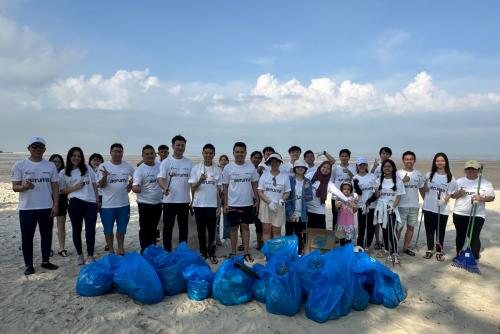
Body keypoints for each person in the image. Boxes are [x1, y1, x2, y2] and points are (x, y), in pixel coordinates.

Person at [11, 136, 59, 275]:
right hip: (27, 208)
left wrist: (55, 204)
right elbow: (15, 187)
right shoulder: (20, 165)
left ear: (44, 149)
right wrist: (24, 186)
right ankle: (29, 265)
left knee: (46, 236)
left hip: (46, 207)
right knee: (27, 237)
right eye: (34, 146)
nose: (37, 149)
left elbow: (55, 186)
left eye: (40, 147)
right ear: (29, 148)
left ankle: (45, 261)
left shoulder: (50, 166)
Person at [60, 147, 99, 264]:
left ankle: (90, 255)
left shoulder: (87, 168)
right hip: (74, 203)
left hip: (90, 203)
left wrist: (97, 200)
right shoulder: (63, 172)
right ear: (69, 157)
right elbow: (62, 191)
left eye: (79, 156)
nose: (76, 158)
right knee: (77, 230)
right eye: (74, 155)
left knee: (90, 230)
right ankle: (80, 254)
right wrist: (75, 187)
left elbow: (94, 184)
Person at [222, 142, 260, 263]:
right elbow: (225, 187)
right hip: (233, 204)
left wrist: (257, 199)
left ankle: (246, 253)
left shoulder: (250, 167)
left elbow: (254, 184)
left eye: (242, 152)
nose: (239, 154)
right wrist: (225, 204)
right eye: (237, 152)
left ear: (245, 153)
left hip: (247, 203)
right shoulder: (228, 168)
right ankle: (233, 252)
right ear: (233, 153)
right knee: (234, 228)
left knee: (245, 227)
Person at [451, 160, 495, 260]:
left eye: (473, 169)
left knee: (474, 235)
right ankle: (459, 254)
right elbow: (452, 195)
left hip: (477, 214)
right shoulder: (459, 181)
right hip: (460, 213)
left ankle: (474, 257)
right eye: (468, 169)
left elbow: (492, 197)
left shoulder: (485, 182)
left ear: (478, 170)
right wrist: (459, 193)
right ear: (465, 170)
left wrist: (481, 198)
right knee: (460, 235)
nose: (471, 171)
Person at [157, 135, 193, 251]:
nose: (180, 147)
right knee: (168, 228)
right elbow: (160, 178)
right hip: (169, 201)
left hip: (184, 201)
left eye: (183, 145)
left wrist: (194, 199)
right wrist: (165, 188)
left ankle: (183, 250)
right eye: (178, 145)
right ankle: (167, 251)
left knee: (184, 228)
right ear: (173, 146)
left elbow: (192, 182)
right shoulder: (166, 162)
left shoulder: (189, 163)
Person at [98, 143, 134, 255]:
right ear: (110, 152)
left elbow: (134, 180)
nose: (117, 153)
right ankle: (111, 250)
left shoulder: (128, 166)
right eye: (115, 151)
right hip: (108, 205)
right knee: (108, 230)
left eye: (120, 151)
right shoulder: (103, 166)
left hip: (123, 204)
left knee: (122, 228)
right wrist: (105, 176)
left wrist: (130, 185)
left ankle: (121, 248)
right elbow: (101, 185)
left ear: (122, 153)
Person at [189, 144, 221, 264]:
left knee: (212, 230)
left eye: (211, 153)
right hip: (199, 205)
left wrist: (219, 206)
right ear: (203, 153)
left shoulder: (217, 169)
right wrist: (200, 181)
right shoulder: (196, 168)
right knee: (201, 230)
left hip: (212, 205)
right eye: (206, 153)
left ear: (213, 154)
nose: (208, 155)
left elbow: (219, 190)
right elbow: (192, 187)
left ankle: (211, 252)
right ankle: (203, 251)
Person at [421, 152, 456, 262]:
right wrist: (425, 198)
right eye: (437, 161)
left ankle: (439, 251)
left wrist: (443, 201)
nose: (440, 162)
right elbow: (425, 190)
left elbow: (450, 193)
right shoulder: (429, 174)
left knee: (440, 231)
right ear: (434, 162)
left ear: (445, 162)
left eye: (442, 160)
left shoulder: (450, 177)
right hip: (429, 207)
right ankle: (430, 249)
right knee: (429, 230)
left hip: (442, 208)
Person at [132, 145, 163, 253]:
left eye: (151, 153)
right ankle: (144, 250)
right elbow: (135, 185)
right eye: (147, 154)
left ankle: (152, 247)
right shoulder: (139, 170)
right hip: (145, 204)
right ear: (143, 156)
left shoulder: (160, 165)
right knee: (145, 228)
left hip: (158, 203)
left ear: (155, 154)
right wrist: (135, 188)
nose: (150, 156)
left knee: (154, 227)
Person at [374, 159, 405, 264]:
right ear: (382, 168)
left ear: (393, 168)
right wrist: (376, 190)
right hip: (381, 207)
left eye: (389, 166)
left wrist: (393, 207)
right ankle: (386, 250)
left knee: (392, 231)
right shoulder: (379, 180)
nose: (387, 168)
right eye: (385, 167)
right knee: (385, 230)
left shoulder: (398, 181)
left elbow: (399, 196)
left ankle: (395, 252)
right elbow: (378, 196)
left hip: (391, 207)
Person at [396, 151, 425, 256]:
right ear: (403, 160)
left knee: (411, 227)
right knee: (398, 228)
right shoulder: (398, 173)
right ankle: (395, 248)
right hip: (400, 205)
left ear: (414, 160)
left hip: (414, 205)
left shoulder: (418, 174)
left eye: (411, 159)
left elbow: (421, 189)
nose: (409, 161)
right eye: (407, 159)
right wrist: (402, 182)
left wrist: (425, 201)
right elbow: (393, 189)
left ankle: (405, 248)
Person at [257, 153, 291, 242]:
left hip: (279, 206)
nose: (274, 163)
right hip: (265, 205)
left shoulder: (285, 176)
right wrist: (269, 202)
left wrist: (282, 199)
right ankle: (267, 253)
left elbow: (287, 192)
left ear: (280, 163)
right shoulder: (264, 175)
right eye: (272, 161)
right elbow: (260, 191)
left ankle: (275, 253)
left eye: (277, 161)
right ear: (269, 163)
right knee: (266, 230)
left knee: (277, 231)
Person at [305, 161, 348, 229]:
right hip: (307, 209)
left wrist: (347, 200)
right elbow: (301, 182)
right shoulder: (311, 175)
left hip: (319, 211)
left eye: (328, 168)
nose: (325, 169)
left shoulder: (328, 183)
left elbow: (337, 191)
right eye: (324, 167)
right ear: (320, 167)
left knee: (320, 235)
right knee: (307, 234)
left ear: (330, 171)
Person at [285, 160, 313, 254]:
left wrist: (304, 191)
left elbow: (310, 197)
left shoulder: (307, 181)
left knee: (299, 235)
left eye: (302, 167)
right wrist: (290, 213)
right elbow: (286, 197)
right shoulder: (289, 180)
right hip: (290, 213)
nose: (300, 169)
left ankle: (299, 254)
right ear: (294, 169)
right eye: (298, 167)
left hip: (302, 214)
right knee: (288, 234)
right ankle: (288, 253)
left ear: (305, 169)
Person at [353, 157, 377, 250]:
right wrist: (356, 185)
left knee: (371, 227)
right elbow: (359, 193)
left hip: (371, 205)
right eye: (360, 165)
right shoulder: (355, 178)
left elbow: (376, 192)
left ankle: (367, 245)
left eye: (364, 164)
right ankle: (360, 245)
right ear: (357, 166)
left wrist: (370, 200)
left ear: (366, 165)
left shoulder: (372, 176)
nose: (362, 166)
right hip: (361, 206)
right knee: (361, 227)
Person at [371, 146, 392, 249]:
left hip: (386, 197)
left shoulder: (391, 165)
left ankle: (384, 240)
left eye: (387, 153)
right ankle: (377, 241)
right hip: (376, 196)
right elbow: (370, 176)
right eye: (383, 153)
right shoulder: (377, 165)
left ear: (390, 155)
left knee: (385, 220)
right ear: (380, 154)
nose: (385, 155)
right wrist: (374, 167)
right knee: (377, 220)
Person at [331, 149, 356, 230]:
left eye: (346, 156)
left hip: (348, 197)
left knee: (347, 215)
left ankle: (347, 233)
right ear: (339, 157)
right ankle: (336, 235)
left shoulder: (352, 168)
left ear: (349, 157)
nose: (344, 157)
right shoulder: (336, 168)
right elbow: (332, 181)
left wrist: (348, 172)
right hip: (336, 197)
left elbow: (355, 179)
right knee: (336, 216)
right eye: (342, 156)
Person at [49, 154, 68, 258]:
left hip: (62, 199)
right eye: (54, 161)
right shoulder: (47, 172)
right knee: (48, 226)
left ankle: (62, 248)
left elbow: (66, 186)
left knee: (61, 226)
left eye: (59, 162)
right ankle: (48, 248)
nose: (56, 163)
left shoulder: (64, 173)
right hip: (48, 199)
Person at [250, 150, 264, 250]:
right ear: (251, 158)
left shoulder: (263, 171)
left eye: (259, 158)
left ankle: (260, 243)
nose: (257, 159)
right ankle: (243, 242)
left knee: (259, 223)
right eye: (255, 157)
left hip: (260, 200)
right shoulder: (247, 168)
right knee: (245, 223)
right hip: (248, 199)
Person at [216, 154, 230, 246]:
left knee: (227, 218)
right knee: (216, 217)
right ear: (219, 161)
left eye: (225, 160)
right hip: (217, 196)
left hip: (226, 196)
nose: (224, 161)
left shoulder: (229, 170)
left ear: (228, 162)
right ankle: (216, 237)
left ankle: (226, 237)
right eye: (222, 160)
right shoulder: (216, 170)